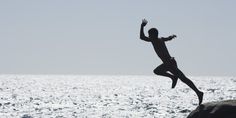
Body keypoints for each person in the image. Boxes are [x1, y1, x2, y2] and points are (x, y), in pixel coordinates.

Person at [139, 19, 203, 105]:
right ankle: (174, 78)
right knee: (159, 71)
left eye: (149, 34)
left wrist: (142, 26)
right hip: (169, 63)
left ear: (153, 35)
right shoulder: (159, 39)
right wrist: (171, 36)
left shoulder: (154, 40)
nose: (148, 36)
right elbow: (167, 38)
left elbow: (142, 37)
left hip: (169, 63)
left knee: (183, 78)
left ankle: (198, 92)